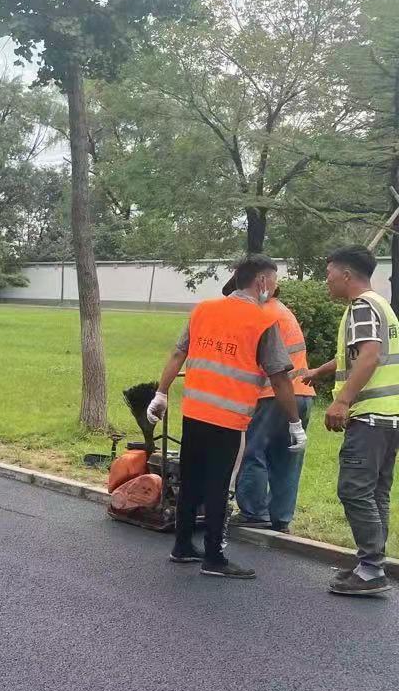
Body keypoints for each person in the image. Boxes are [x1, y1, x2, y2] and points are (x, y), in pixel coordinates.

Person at [146, 255, 307, 580]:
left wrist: (161, 393)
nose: (274, 287)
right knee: (220, 486)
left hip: (194, 412)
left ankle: (182, 546)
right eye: (274, 281)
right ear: (261, 281)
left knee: (191, 480)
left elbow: (179, 353)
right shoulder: (262, 321)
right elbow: (279, 378)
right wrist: (294, 422)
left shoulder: (203, 309)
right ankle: (214, 557)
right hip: (229, 419)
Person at [302, 245, 399, 596]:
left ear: (346, 275)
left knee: (354, 490)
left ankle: (371, 568)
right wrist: (319, 371)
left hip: (369, 416)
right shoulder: (380, 304)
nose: (326, 280)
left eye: (328, 274)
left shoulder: (361, 306)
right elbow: (354, 354)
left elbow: (370, 356)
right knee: (375, 492)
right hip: (389, 416)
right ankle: (370, 565)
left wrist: (342, 400)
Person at [230, 280, 315, 534]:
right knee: (287, 458)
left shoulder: (261, 314)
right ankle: (281, 518)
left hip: (273, 394)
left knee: (254, 451)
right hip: (301, 394)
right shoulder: (283, 311)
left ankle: (254, 513)